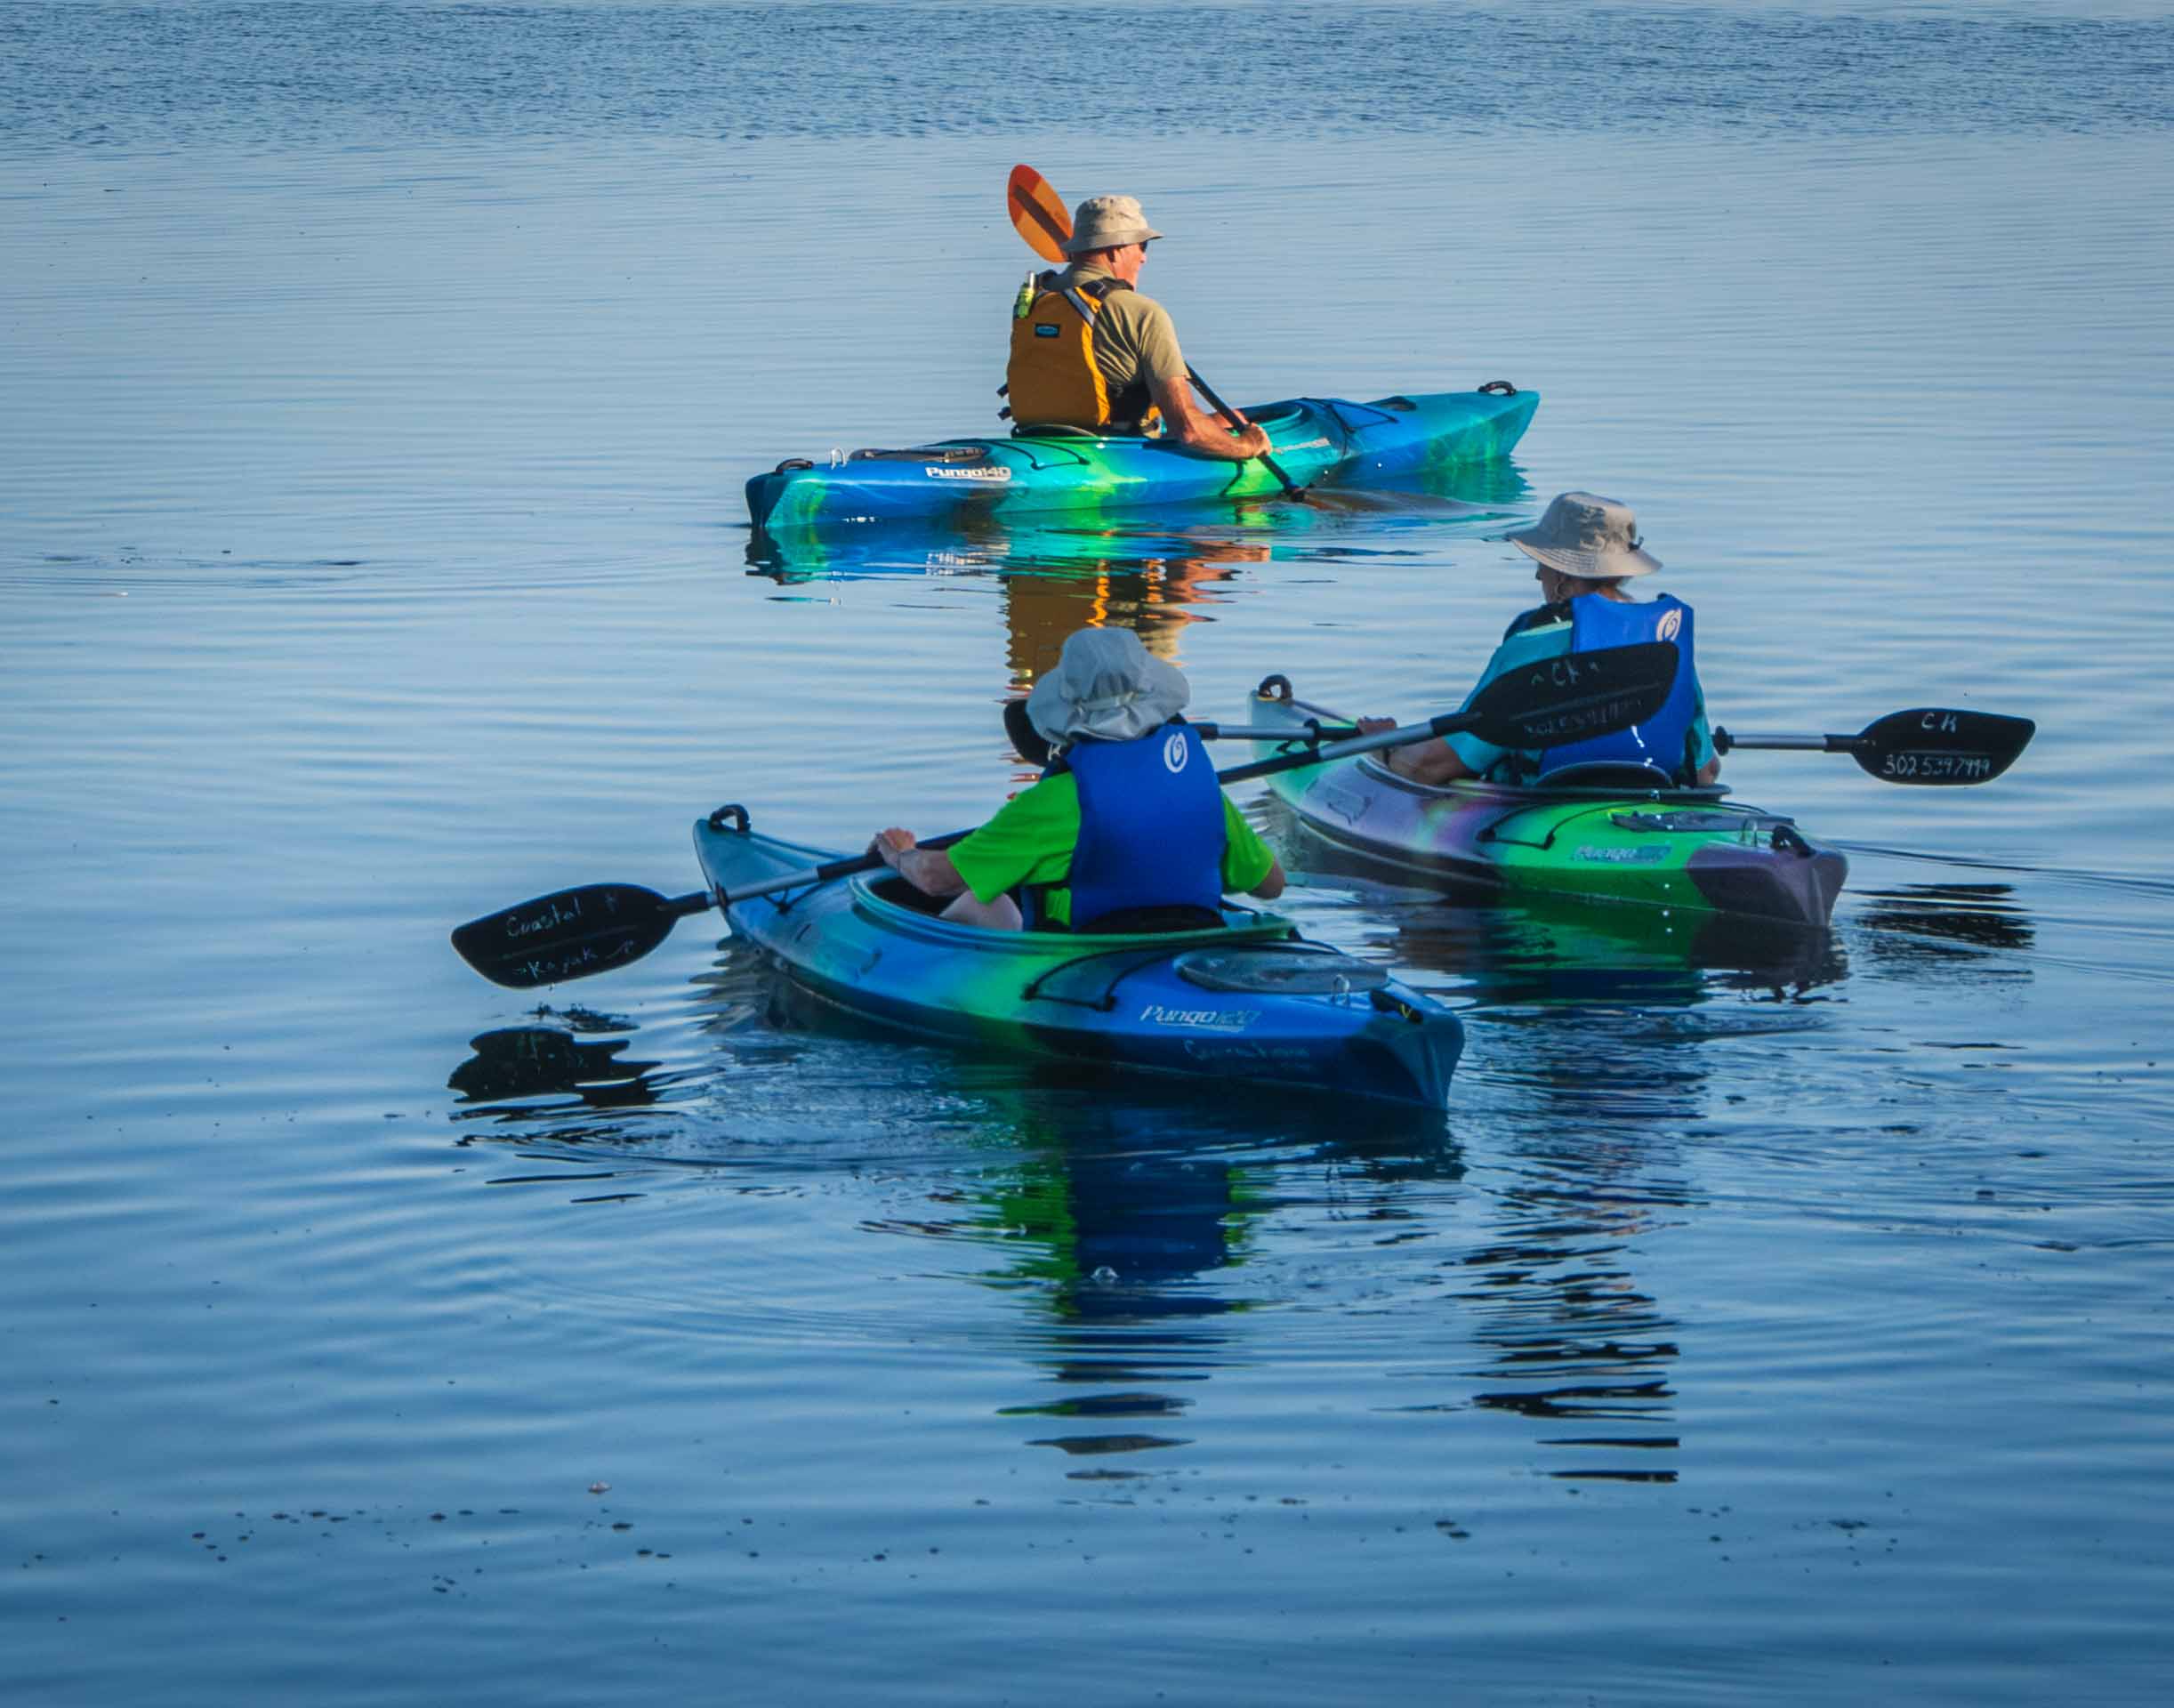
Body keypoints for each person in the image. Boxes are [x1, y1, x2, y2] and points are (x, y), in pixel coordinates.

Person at [871, 626, 1286, 932]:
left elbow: (935, 878)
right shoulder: (1199, 787)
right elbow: (1271, 885)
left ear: (1066, 714)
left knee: (983, 900)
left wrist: (899, 854)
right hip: (1188, 939)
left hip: (1087, 958)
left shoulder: (1058, 799)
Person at [1365, 491, 1720, 787]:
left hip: (1546, 811)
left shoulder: (1532, 645)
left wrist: (1382, 749)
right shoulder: (1665, 646)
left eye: (1544, 564)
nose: (1538, 573)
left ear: (1564, 578)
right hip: (1652, 806)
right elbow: (1706, 772)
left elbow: (1430, 767)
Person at [1004, 194, 1274, 462]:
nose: (1143, 259)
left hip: (1034, 442)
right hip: (1115, 452)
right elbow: (1188, 431)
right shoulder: (1142, 312)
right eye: (1142, 246)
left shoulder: (1034, 300)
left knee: (1226, 419)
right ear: (1115, 250)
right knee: (1208, 425)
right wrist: (1247, 446)